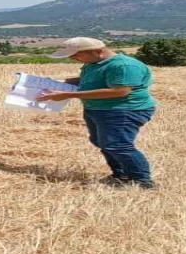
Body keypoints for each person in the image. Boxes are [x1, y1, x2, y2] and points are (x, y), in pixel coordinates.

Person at [36, 37, 158, 189]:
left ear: (97, 51)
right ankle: (121, 175)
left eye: (76, 55)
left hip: (124, 110)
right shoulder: (93, 63)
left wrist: (67, 94)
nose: (72, 58)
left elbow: (119, 91)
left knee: (117, 145)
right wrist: (58, 82)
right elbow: (88, 80)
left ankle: (142, 181)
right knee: (101, 142)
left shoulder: (123, 66)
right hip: (98, 109)